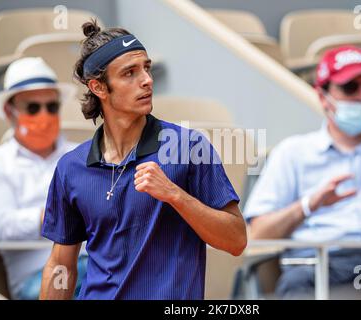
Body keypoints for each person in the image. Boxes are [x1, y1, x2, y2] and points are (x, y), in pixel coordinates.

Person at [39, 21, 247, 300]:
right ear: (99, 87)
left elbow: (236, 240)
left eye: (146, 68)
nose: (147, 80)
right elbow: (61, 264)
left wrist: (174, 195)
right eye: (130, 73)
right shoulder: (70, 168)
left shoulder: (189, 147)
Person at [244, 45, 361, 299]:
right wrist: (308, 205)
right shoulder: (292, 153)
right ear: (323, 97)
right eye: (349, 87)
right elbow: (258, 234)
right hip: (322, 263)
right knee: (297, 284)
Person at [0, 57, 87, 299]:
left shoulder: (82, 154)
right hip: (36, 277)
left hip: (95, 263)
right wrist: (57, 212)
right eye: (33, 108)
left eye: (51, 107)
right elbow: (4, 227)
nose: (44, 115)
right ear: (9, 111)